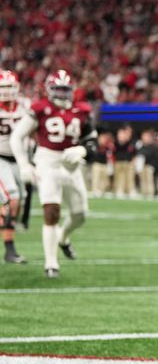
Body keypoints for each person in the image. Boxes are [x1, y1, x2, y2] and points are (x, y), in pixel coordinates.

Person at [10, 70, 97, 278]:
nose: (61, 94)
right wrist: (24, 164)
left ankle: (63, 238)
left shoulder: (82, 110)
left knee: (80, 214)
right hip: (47, 161)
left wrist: (83, 149)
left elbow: (93, 141)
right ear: (49, 90)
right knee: (52, 211)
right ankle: (51, 264)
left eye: (65, 90)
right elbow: (17, 136)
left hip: (71, 164)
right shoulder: (40, 109)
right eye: (58, 89)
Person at [0, 70, 28, 263]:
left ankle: (10, 248)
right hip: (0, 158)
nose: (7, 91)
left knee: (20, 201)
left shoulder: (26, 106)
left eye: (10, 87)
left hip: (20, 159)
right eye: (3, 87)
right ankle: (9, 250)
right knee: (13, 199)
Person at [112, 125, 136, 197]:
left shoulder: (132, 141)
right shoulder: (116, 141)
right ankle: (119, 190)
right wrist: (121, 139)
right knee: (119, 177)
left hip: (128, 162)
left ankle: (130, 191)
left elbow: (134, 152)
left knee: (129, 177)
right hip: (118, 161)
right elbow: (115, 150)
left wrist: (133, 161)